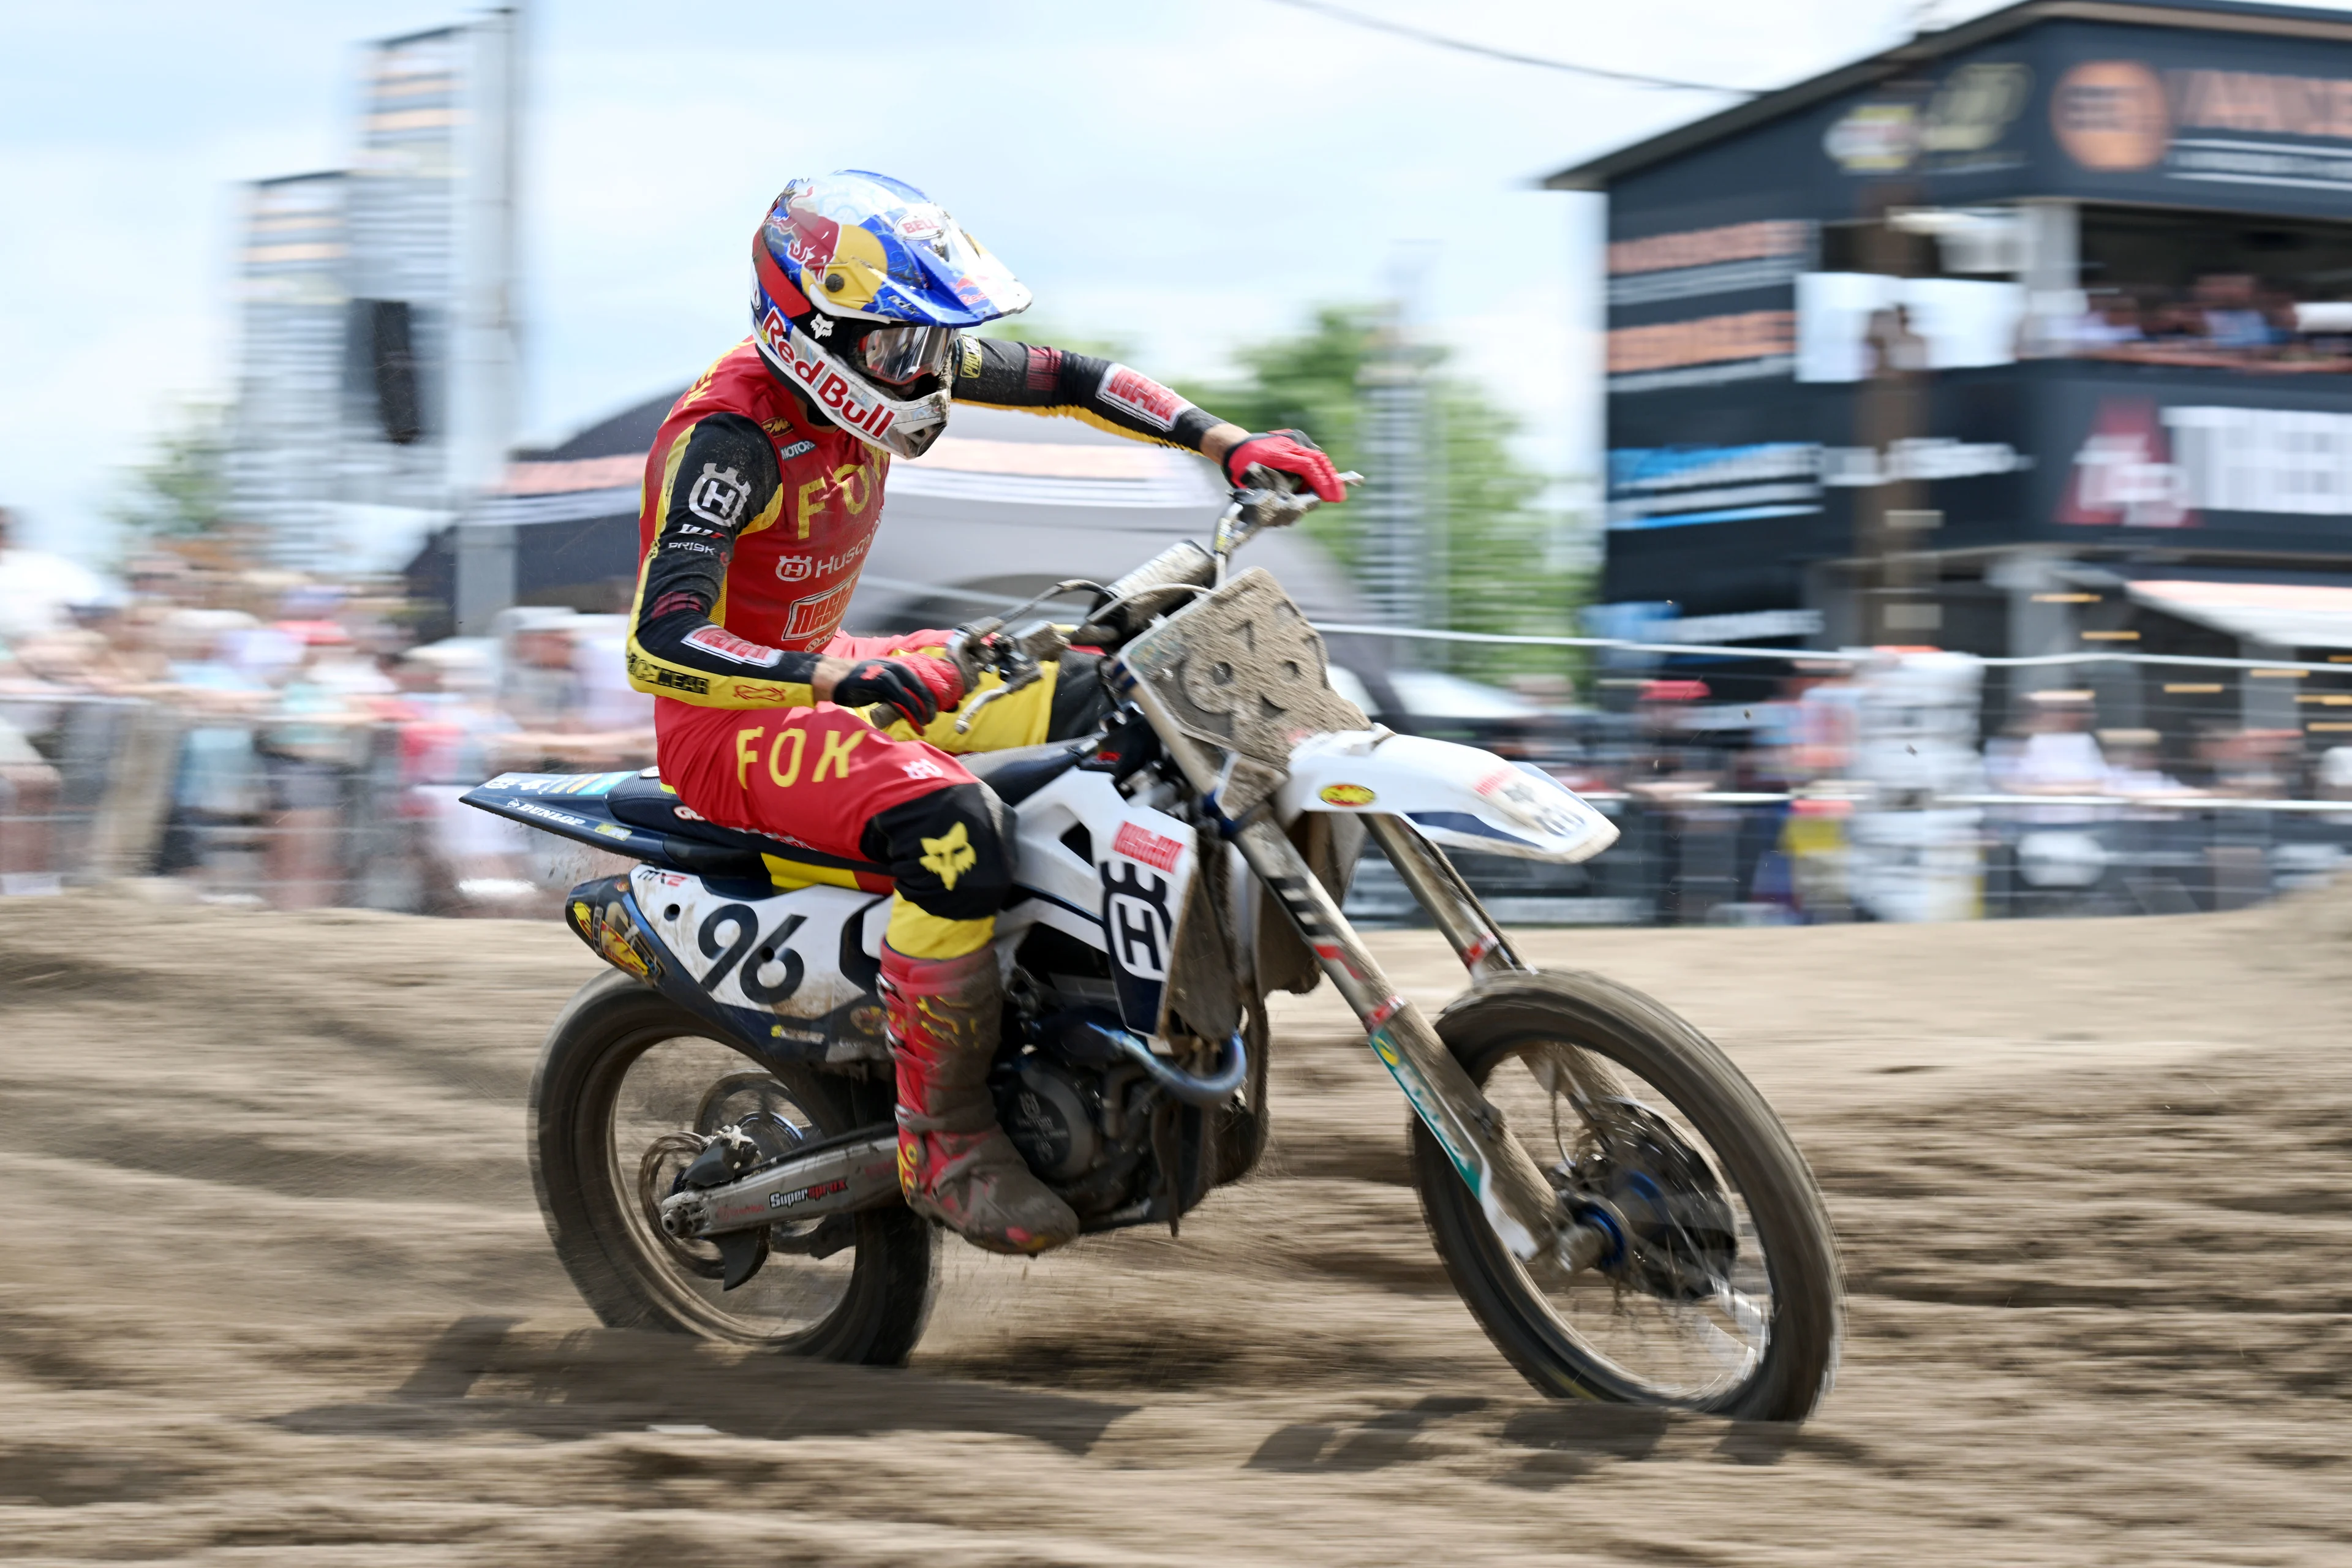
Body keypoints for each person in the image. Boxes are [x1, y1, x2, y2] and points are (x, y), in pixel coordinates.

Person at [625, 172, 1345, 1256]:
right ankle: (943, 1135)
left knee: (1117, 686)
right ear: (811, 326)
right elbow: (660, 641)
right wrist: (831, 684)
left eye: (929, 345)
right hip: (735, 721)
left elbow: (1070, 377)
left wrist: (1225, 443)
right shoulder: (730, 440)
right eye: (903, 348)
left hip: (842, 668)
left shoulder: (871, 364)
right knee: (955, 832)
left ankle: (1090, 1008)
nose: (928, 372)